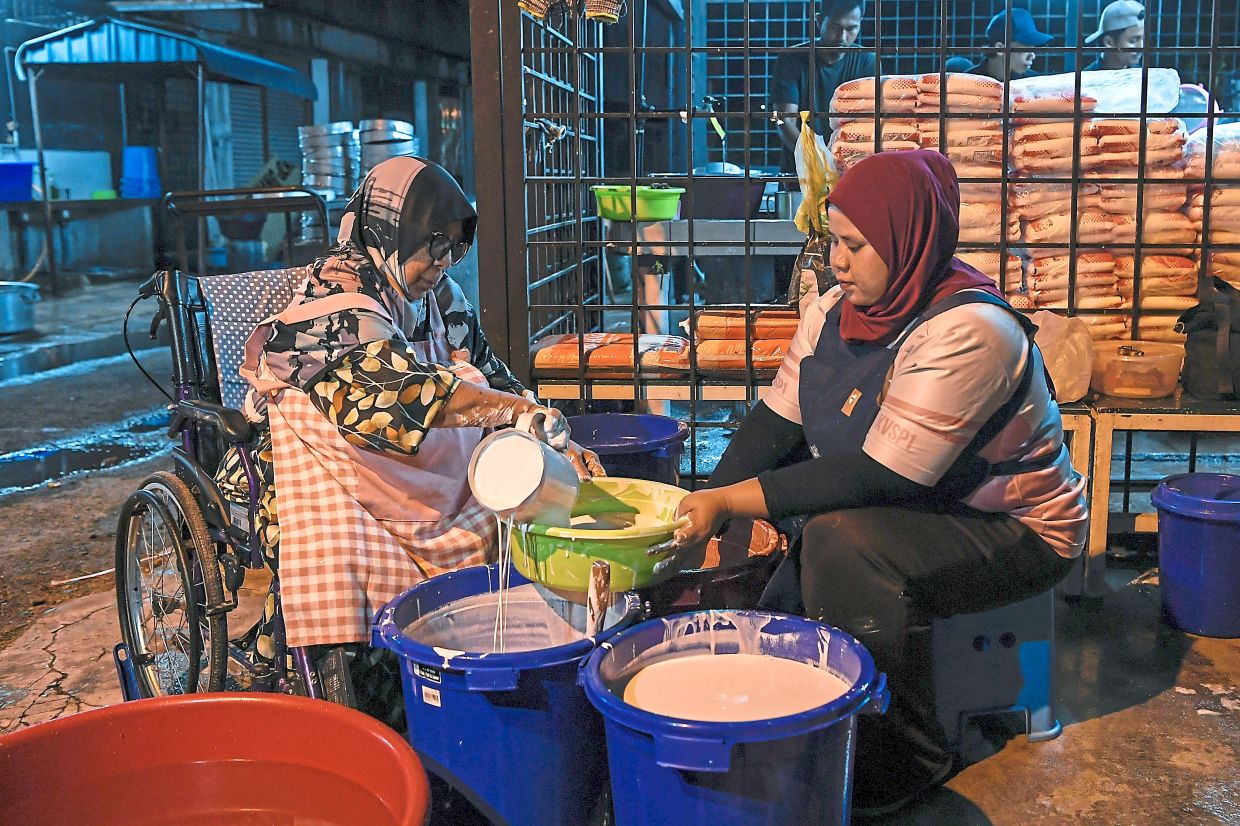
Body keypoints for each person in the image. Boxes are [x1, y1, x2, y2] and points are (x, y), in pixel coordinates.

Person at [671, 151, 1087, 816]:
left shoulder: (970, 329)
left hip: (1017, 530)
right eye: (835, 240)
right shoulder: (836, 310)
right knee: (780, 602)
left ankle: (904, 753)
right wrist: (711, 517)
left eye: (856, 245)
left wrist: (730, 500)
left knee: (841, 540)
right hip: (914, 512)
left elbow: (880, 473)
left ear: (906, 241)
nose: (837, 261)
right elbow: (771, 426)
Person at [216, 157, 602, 693]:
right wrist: (511, 413)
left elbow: (494, 381)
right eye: (434, 246)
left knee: (510, 514)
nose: (442, 264)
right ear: (392, 232)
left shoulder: (438, 299)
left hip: (404, 473)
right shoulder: (335, 299)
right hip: (305, 470)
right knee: (338, 557)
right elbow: (395, 400)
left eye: (453, 250)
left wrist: (554, 437)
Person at [770, 0, 877, 173]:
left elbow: (867, 122)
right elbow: (783, 120)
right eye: (835, 27)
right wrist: (817, 159)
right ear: (819, 22)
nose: (842, 37)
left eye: (851, 29)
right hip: (800, 173)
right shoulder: (791, 59)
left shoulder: (867, 60)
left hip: (849, 169)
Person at [959, 8, 1054, 81]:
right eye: (1025, 48)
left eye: (1033, 48)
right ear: (1000, 48)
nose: (1032, 55)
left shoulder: (1033, 82)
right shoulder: (967, 81)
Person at [1083, 0, 1145, 71]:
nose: (1141, 47)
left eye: (1143, 39)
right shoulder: (1086, 79)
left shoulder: (1141, 76)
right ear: (1109, 42)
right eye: (1133, 40)